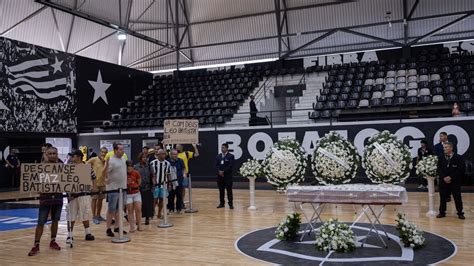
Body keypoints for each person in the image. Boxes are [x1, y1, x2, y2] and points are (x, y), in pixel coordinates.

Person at [28, 146, 62, 256]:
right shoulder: (41, 167)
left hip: (58, 197)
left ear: (57, 154)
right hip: (45, 198)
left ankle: (53, 241)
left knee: (55, 220)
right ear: (46, 155)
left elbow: (67, 181)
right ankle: (36, 245)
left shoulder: (61, 166)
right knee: (41, 222)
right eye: (50, 154)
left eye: (54, 153)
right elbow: (34, 181)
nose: (52, 155)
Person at [66, 150, 95, 244]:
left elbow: (93, 178)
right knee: (71, 215)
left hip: (84, 194)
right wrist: (68, 193)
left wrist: (92, 189)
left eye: (72, 156)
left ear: (78, 157)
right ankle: (70, 235)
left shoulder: (87, 167)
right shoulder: (68, 167)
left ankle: (88, 233)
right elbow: (65, 182)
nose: (71, 158)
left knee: (85, 213)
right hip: (72, 195)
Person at [104, 143, 128, 237]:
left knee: (120, 209)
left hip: (123, 188)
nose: (122, 151)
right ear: (115, 150)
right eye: (120, 149)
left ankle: (117, 227)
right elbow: (105, 173)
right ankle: (108, 228)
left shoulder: (123, 159)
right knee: (111, 210)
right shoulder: (110, 160)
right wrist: (106, 179)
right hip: (113, 189)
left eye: (123, 149)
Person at [437, 142, 465, 219]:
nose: (444, 149)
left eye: (446, 147)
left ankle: (460, 213)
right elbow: (439, 169)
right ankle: (442, 212)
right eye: (444, 147)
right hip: (443, 181)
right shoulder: (440, 157)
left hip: (455, 182)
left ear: (451, 148)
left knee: (457, 197)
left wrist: (450, 177)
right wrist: (444, 177)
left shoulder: (458, 157)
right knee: (442, 197)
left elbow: (461, 170)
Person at [87, 147, 108, 224]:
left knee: (100, 200)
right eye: (102, 152)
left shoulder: (106, 161)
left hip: (103, 184)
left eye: (105, 152)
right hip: (94, 184)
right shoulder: (94, 159)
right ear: (100, 152)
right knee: (94, 199)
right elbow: (86, 165)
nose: (103, 154)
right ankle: (94, 216)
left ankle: (99, 215)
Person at [150, 149, 170, 218]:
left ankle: (159, 213)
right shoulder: (153, 163)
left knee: (162, 200)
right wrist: (153, 183)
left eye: (164, 154)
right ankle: (152, 213)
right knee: (154, 200)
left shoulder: (167, 163)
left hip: (163, 185)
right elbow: (151, 174)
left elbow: (168, 174)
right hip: (155, 185)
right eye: (162, 154)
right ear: (158, 155)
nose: (164, 155)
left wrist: (169, 184)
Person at [135, 152, 154, 225]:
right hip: (139, 188)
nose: (145, 159)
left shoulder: (149, 166)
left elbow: (152, 175)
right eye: (143, 157)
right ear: (140, 159)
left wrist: (154, 184)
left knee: (148, 204)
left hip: (148, 187)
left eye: (146, 157)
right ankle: (138, 219)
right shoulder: (136, 167)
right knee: (139, 204)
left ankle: (147, 218)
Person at [216, 143, 235, 209]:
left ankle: (230, 204)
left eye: (223, 147)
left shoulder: (231, 156)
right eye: (221, 147)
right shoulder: (218, 156)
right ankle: (222, 203)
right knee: (221, 190)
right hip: (220, 177)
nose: (222, 149)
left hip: (228, 177)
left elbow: (230, 166)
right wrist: (219, 171)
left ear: (227, 148)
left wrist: (223, 171)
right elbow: (216, 165)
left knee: (229, 190)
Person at [126, 160, 142, 232]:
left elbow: (139, 182)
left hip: (136, 193)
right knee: (130, 210)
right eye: (128, 168)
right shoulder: (123, 174)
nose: (129, 169)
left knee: (138, 209)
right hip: (128, 194)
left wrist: (134, 185)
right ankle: (132, 226)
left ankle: (139, 224)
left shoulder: (136, 173)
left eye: (130, 167)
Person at [167, 149, 185, 214]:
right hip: (170, 182)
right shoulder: (167, 161)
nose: (175, 155)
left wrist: (184, 174)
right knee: (170, 196)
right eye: (173, 154)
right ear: (170, 154)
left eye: (176, 154)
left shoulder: (180, 160)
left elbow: (183, 168)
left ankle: (179, 209)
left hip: (179, 181)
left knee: (179, 195)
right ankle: (170, 209)